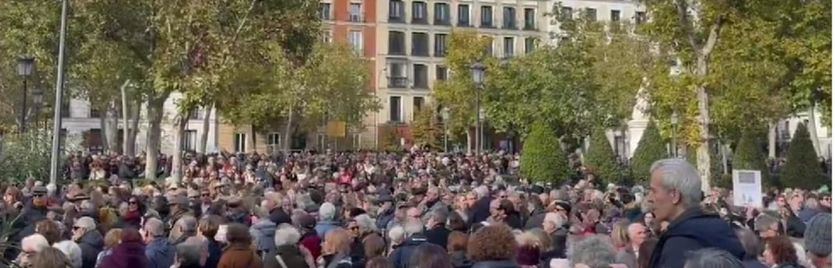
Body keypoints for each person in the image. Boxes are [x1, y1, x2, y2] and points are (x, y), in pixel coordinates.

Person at [646, 159, 745, 268]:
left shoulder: (679, 245)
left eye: (654, 191)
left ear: (674, 195)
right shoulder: (720, 230)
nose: (649, 198)